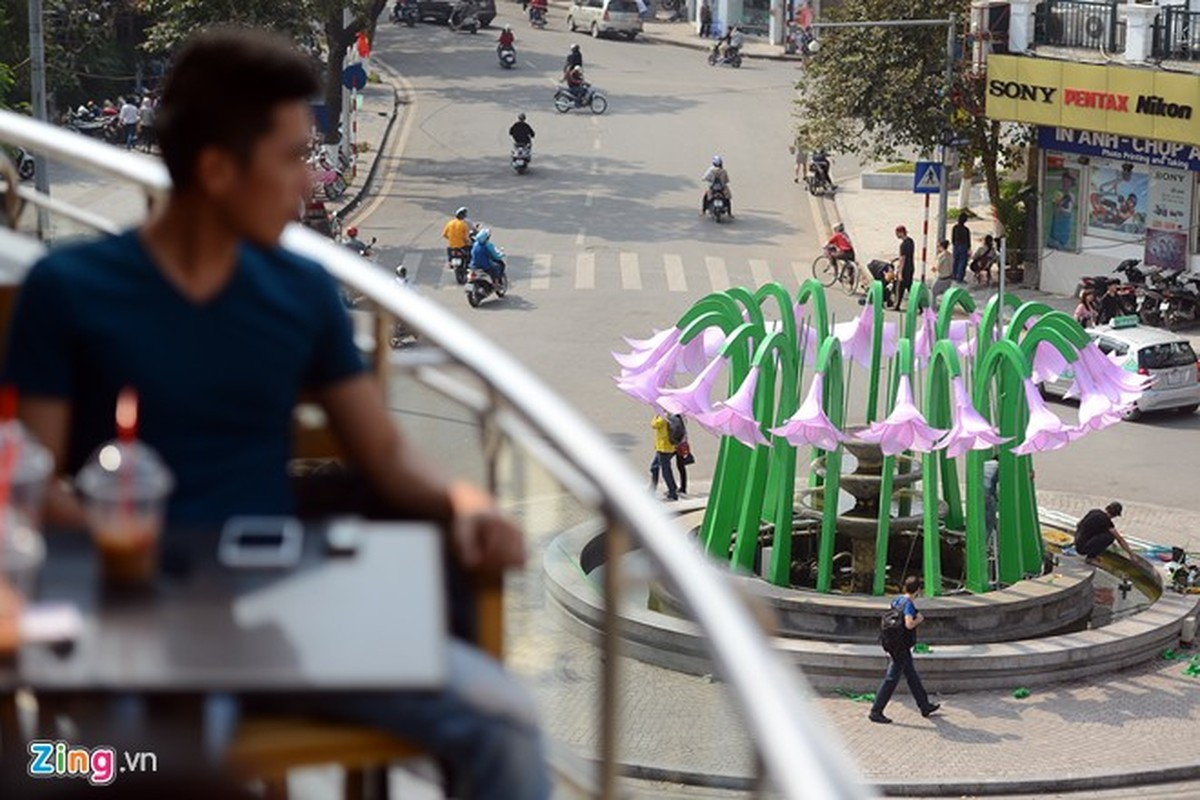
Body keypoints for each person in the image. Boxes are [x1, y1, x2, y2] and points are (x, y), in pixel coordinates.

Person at [1, 29, 547, 799]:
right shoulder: (71, 292)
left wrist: (463, 501)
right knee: (99, 767)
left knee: (502, 723)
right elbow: (30, 481)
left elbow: (384, 455)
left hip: (281, 603)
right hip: (133, 613)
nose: (309, 182)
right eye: (293, 159)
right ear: (219, 170)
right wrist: (107, 530)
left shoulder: (302, 292)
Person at [868, 576, 940, 724]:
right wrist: (919, 620)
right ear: (918, 590)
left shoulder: (897, 600)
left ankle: (924, 705)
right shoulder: (908, 604)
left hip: (894, 643)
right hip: (901, 647)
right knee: (891, 679)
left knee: (912, 676)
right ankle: (876, 711)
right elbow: (908, 624)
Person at [649, 414, 679, 502]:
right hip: (666, 447)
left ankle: (673, 493)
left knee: (666, 472)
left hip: (664, 448)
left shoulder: (663, 416)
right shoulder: (671, 414)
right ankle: (653, 489)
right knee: (654, 468)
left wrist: (656, 415)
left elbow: (654, 425)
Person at [893, 225, 915, 310]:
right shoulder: (911, 241)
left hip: (905, 269)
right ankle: (920, 306)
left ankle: (897, 305)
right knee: (910, 287)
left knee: (900, 288)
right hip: (911, 267)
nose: (896, 235)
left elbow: (903, 259)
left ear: (901, 233)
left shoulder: (903, 245)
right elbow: (907, 255)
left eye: (897, 233)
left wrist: (900, 273)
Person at [951, 212, 971, 283]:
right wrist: (969, 248)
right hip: (963, 246)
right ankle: (960, 278)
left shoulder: (955, 228)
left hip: (956, 245)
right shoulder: (966, 230)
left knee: (955, 261)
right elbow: (968, 240)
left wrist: (954, 244)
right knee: (962, 262)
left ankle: (954, 275)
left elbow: (952, 238)